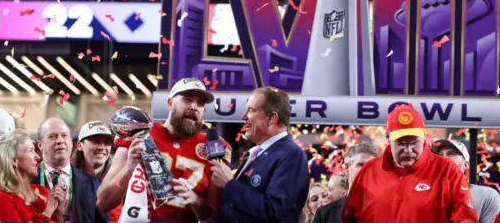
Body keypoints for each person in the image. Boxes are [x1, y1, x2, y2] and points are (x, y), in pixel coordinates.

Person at [97, 77, 232, 223]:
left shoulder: (214, 147)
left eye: (200, 103)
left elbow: (214, 218)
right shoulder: (140, 133)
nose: (194, 106)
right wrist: (128, 169)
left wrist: (197, 202)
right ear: (170, 103)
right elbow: (103, 204)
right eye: (187, 99)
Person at [342, 105, 479, 223]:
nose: (408, 149)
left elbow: (465, 217)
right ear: (388, 138)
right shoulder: (369, 171)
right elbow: (349, 217)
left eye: (413, 142)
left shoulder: (446, 170)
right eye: (401, 143)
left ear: (424, 137)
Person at [211, 86, 309, 223]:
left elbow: (275, 210)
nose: (244, 116)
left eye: (251, 110)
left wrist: (229, 185)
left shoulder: (292, 155)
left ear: (271, 118)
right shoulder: (253, 155)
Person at [32, 117, 109, 223]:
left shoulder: (95, 185)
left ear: (72, 143)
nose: (60, 141)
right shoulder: (27, 180)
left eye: (64, 135)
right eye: (52, 137)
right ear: (40, 145)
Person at [0, 129, 67, 222]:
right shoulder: (0, 198)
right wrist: (47, 212)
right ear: (13, 160)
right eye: (31, 150)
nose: (37, 157)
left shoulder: (43, 192)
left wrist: (58, 213)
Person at [434, 139, 500, 223]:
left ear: (465, 165)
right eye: (440, 155)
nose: (444, 158)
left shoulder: (486, 196)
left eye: (451, 154)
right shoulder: (425, 193)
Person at [313, 143, 380, 223]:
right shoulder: (325, 214)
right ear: (347, 166)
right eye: (361, 165)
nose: (367, 170)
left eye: (372, 166)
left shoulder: (387, 210)